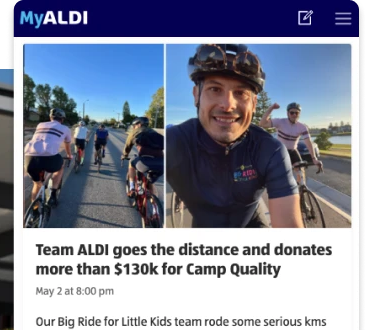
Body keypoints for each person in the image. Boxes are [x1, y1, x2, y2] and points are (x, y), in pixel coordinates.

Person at [165, 44, 301, 228]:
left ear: (253, 103)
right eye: (214, 89)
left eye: (240, 93)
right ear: (196, 95)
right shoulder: (174, 142)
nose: (228, 105)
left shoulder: (270, 150)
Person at [259, 102, 323, 187]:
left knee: (301, 171)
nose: (294, 115)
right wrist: (271, 108)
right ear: (287, 113)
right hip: (280, 151)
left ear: (299, 114)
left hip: (293, 151)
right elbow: (262, 123)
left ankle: (301, 190)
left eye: (296, 113)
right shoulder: (280, 122)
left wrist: (314, 158)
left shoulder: (302, 127)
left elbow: (308, 142)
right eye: (292, 112)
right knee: (280, 174)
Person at [23, 108, 74, 212]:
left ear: (50, 117)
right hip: (49, 158)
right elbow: (67, 145)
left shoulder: (40, 125)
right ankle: (53, 195)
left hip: (29, 158)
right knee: (60, 167)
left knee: (37, 184)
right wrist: (69, 155)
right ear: (62, 119)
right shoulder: (65, 129)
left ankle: (34, 212)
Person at [122, 117, 164, 198]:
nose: (133, 127)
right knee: (150, 183)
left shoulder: (134, 132)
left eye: (134, 125)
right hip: (161, 164)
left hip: (144, 162)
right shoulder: (155, 132)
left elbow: (127, 147)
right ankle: (156, 207)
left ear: (139, 124)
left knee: (131, 162)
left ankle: (132, 188)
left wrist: (124, 156)